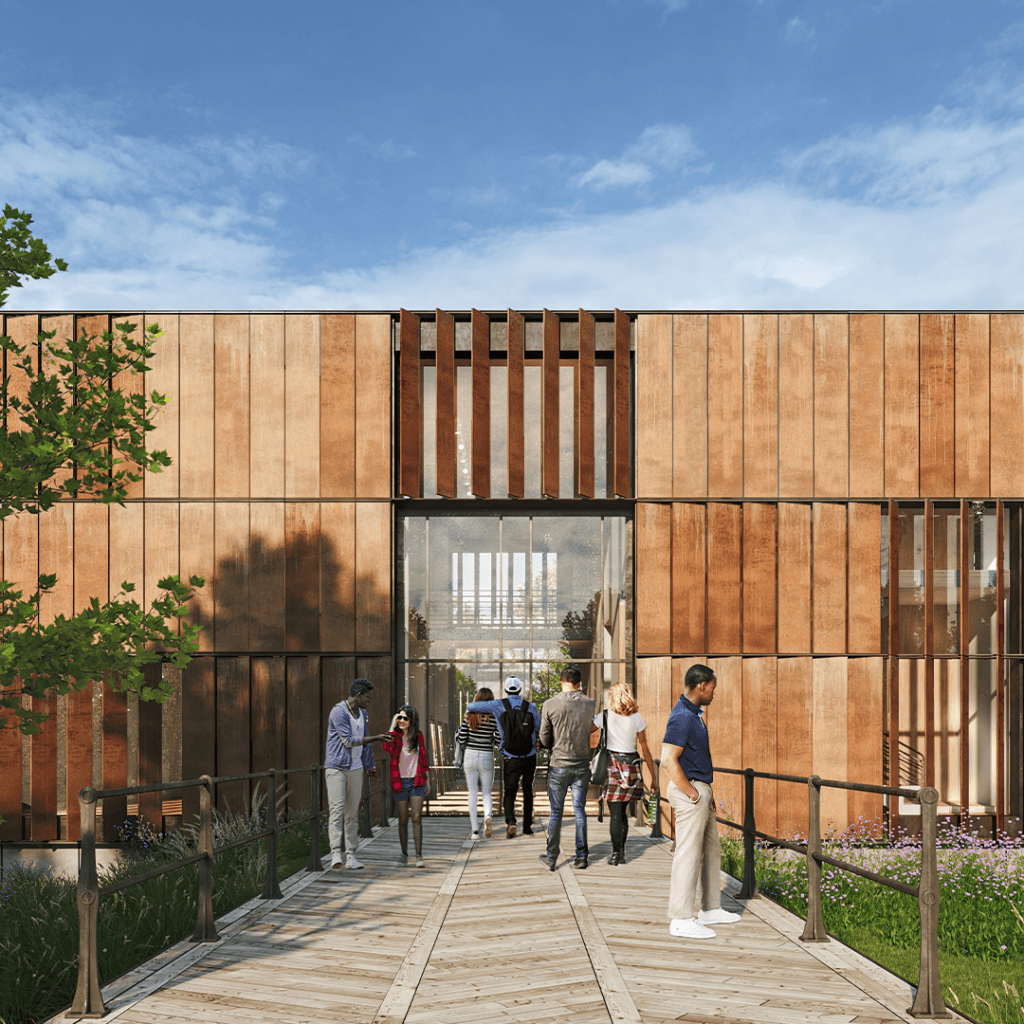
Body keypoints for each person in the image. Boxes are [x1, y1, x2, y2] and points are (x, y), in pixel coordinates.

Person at [662, 663, 741, 939]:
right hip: (690, 792)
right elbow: (668, 760)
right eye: (713, 688)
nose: (714, 693)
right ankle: (681, 919)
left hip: (699, 790)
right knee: (688, 854)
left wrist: (705, 794)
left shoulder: (693, 714)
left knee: (711, 850)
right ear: (702, 685)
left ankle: (710, 908)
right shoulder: (682, 716)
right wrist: (693, 793)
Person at [537, 666, 596, 871]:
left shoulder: (549, 704)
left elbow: (544, 739)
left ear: (561, 682)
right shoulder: (590, 704)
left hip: (558, 765)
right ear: (579, 684)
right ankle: (582, 857)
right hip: (581, 765)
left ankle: (552, 857)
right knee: (579, 809)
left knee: (556, 812)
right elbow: (590, 729)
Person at [466, 677, 541, 839]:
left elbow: (471, 706)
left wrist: (487, 707)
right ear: (520, 690)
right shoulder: (531, 707)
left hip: (510, 756)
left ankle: (511, 822)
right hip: (529, 756)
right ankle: (527, 826)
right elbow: (537, 729)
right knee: (528, 790)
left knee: (509, 791)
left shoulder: (499, 705)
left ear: (507, 690)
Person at [325, 678, 387, 870]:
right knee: (337, 810)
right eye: (367, 697)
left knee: (352, 813)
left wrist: (369, 766)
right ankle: (336, 853)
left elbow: (364, 743)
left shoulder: (362, 713)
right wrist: (377, 738)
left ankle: (351, 854)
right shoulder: (338, 711)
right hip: (336, 767)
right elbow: (348, 741)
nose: (369, 701)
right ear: (358, 695)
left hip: (356, 767)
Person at [597, 681, 658, 865]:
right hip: (631, 766)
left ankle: (617, 853)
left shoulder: (605, 716)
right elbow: (645, 748)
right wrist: (653, 777)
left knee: (615, 813)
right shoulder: (637, 718)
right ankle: (621, 852)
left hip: (612, 765)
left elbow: (586, 731)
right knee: (623, 812)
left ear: (612, 697)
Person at [382, 704, 430, 867]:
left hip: (417, 781)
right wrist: (391, 725)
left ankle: (419, 856)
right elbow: (386, 747)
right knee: (403, 820)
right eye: (399, 718)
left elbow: (423, 758)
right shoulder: (394, 737)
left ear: (412, 720)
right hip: (399, 782)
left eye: (405, 718)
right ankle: (404, 854)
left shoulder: (419, 736)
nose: (401, 721)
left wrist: (427, 779)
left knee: (416, 817)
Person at [454, 687, 500, 839]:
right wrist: (490, 739)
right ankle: (487, 816)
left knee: (472, 792)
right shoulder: (494, 715)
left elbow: (462, 739)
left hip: (470, 755)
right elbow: (499, 739)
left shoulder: (469, 715)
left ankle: (474, 831)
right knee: (487, 792)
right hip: (487, 754)